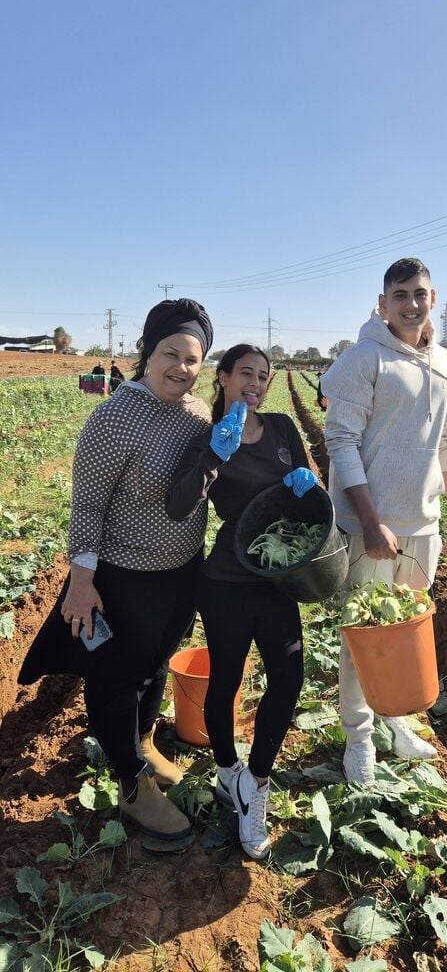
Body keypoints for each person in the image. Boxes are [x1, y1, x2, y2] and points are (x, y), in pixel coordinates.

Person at [18, 298, 214, 852]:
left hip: (181, 573)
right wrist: (82, 583)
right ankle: (131, 782)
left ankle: (145, 743)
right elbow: (87, 508)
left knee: (154, 667)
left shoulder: (199, 415)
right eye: (169, 353)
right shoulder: (114, 418)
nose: (181, 366)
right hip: (124, 579)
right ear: (146, 353)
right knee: (116, 677)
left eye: (192, 358)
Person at [166, 344, 318, 860]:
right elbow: (179, 502)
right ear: (224, 378)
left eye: (263, 376)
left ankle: (257, 783)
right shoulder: (207, 436)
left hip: (276, 580)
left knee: (289, 677)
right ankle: (228, 771)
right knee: (227, 676)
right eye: (245, 374)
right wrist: (214, 455)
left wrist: (307, 480)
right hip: (227, 580)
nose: (255, 383)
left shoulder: (280, 429)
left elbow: (307, 483)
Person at [322, 257, 447, 784]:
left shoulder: (446, 362)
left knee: (406, 630)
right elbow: (339, 441)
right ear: (383, 304)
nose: (411, 304)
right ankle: (359, 736)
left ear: (434, 300)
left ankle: (396, 720)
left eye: (420, 294)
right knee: (364, 632)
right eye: (400, 295)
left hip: (422, 524)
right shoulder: (364, 359)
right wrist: (369, 519)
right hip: (372, 527)